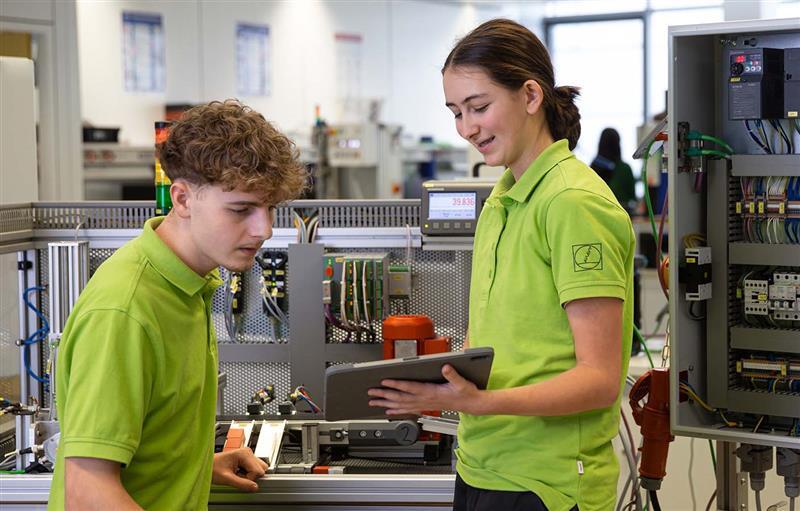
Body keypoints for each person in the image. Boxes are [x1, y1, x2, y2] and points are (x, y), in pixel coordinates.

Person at [368, 19, 634, 511]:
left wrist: (475, 402)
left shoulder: (573, 202)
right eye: (455, 112)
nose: (467, 128)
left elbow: (598, 380)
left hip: (544, 484)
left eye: (479, 107)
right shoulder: (503, 198)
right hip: (483, 465)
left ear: (530, 96)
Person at [48, 100, 308, 510]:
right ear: (183, 199)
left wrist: (201, 465)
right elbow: (87, 493)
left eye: (270, 208)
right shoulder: (126, 310)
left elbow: (145, 450)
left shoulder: (188, 285)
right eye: (241, 210)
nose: (265, 229)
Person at [590, 127, 638, 213]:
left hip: (596, 217)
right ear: (618, 144)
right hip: (622, 217)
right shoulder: (625, 169)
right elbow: (632, 198)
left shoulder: (591, 169)